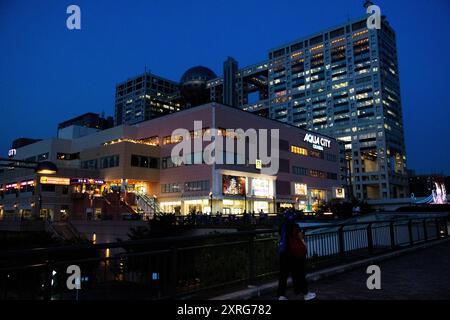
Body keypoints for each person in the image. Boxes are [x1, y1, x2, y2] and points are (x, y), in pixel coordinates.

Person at [277, 210, 316, 301]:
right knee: (299, 274)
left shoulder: (282, 226)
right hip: (295, 254)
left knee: (283, 275)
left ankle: (281, 296)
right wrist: (304, 247)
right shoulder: (296, 226)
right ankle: (305, 293)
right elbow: (301, 239)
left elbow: (280, 239)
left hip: (284, 254)